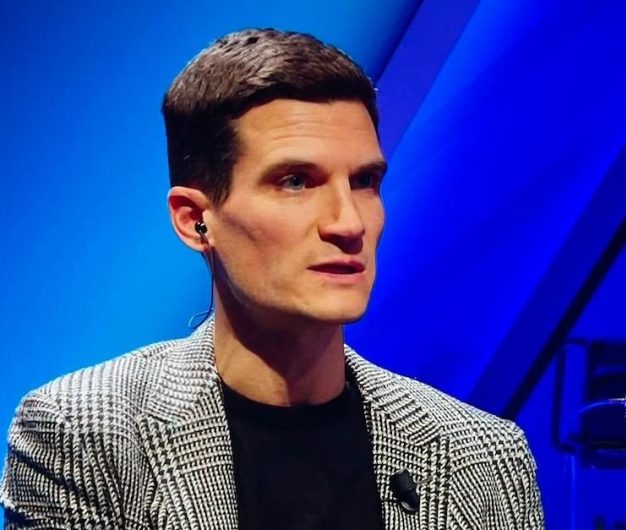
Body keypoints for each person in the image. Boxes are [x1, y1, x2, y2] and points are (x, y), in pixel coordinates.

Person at [0, 28, 544, 529]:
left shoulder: (483, 456)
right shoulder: (86, 434)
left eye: (364, 181)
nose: (348, 223)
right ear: (195, 220)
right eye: (296, 181)